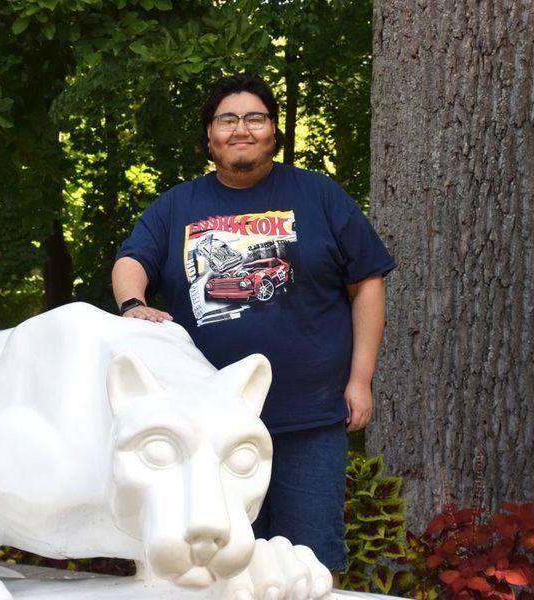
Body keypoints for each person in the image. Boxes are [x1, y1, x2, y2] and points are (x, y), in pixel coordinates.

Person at [111, 74, 395, 583]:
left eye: (254, 117)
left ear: (272, 132)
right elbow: (132, 260)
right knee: (215, 566)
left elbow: (367, 282)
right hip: (206, 434)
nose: (241, 129)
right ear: (210, 135)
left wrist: (361, 378)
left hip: (308, 417)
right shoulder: (176, 205)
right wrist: (134, 305)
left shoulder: (318, 195)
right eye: (227, 119)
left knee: (308, 564)